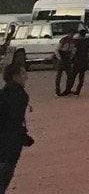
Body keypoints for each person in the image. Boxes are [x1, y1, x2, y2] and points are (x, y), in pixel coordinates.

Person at [0, 62, 34, 191]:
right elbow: (14, 121)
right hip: (8, 147)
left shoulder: (4, 93)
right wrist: (23, 136)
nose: (26, 76)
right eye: (23, 73)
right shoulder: (19, 95)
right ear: (15, 76)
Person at [68, 27, 89, 97]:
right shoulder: (86, 43)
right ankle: (78, 91)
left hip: (77, 62)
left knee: (73, 76)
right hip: (84, 62)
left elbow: (73, 52)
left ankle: (69, 90)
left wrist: (70, 59)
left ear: (79, 34)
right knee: (81, 77)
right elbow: (88, 53)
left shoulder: (77, 42)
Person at [54, 30, 74, 97]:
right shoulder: (63, 40)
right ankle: (57, 91)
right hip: (62, 56)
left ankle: (67, 90)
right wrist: (59, 58)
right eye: (71, 34)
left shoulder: (73, 41)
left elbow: (72, 51)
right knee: (59, 76)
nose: (71, 35)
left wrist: (70, 57)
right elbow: (57, 50)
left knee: (70, 75)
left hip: (67, 57)